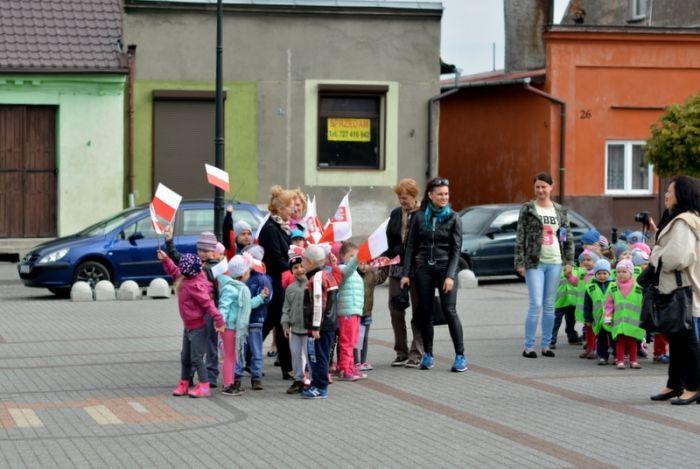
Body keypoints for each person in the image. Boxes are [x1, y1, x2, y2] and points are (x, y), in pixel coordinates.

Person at [401, 177, 467, 372]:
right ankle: (428, 354)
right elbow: (411, 246)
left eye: (446, 194)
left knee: (449, 310)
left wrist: (451, 276)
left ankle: (460, 355)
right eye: (440, 194)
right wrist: (406, 273)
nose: (444, 197)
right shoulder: (419, 217)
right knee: (425, 312)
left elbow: (456, 250)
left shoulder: (454, 218)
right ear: (430, 195)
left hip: (445, 268)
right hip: (424, 269)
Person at [648, 176, 700, 405]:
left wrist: (655, 255)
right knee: (677, 338)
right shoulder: (685, 219)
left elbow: (678, 257)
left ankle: (693, 386)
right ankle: (674, 384)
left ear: (682, 194)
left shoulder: (683, 222)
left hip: (682, 290)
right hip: (681, 288)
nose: (666, 195)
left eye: (670, 191)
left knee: (686, 339)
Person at [515, 172, 574, 359]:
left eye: (544, 187)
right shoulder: (528, 209)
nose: (541, 190)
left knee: (550, 305)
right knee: (536, 304)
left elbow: (567, 237)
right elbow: (520, 236)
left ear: (551, 187)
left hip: (555, 261)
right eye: (537, 187)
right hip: (535, 262)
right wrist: (520, 262)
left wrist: (569, 261)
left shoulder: (560, 210)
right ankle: (529, 346)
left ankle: (547, 345)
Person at [159, 252, 225, 398]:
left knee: (196, 358)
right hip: (187, 326)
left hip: (198, 327)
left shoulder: (195, 285)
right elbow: (174, 271)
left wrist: (219, 320)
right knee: (185, 357)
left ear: (187, 271)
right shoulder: (186, 278)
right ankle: (185, 382)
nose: (179, 271)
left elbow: (208, 304)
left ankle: (204, 385)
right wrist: (166, 259)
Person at [257, 185, 296, 380]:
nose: (293, 210)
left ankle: (248, 357)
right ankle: (287, 367)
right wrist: (294, 266)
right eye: (290, 206)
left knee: (271, 322)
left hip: (282, 280)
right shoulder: (270, 229)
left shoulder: (282, 226)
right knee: (280, 323)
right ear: (280, 209)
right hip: (276, 281)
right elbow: (275, 258)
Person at [386, 178, 424, 367]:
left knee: (418, 311)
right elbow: (388, 240)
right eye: (400, 197)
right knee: (396, 309)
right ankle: (400, 351)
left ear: (414, 196)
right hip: (397, 266)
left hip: (417, 269)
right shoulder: (395, 214)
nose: (403, 201)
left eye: (406, 197)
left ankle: (416, 352)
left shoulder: (423, 213)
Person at [218, 255, 269, 396]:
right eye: (247, 271)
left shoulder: (242, 289)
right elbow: (223, 306)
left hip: (236, 328)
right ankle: (228, 385)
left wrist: (261, 297)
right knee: (229, 357)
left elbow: (249, 305)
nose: (249, 274)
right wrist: (220, 321)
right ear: (242, 274)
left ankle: (231, 382)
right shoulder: (231, 288)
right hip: (228, 328)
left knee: (233, 357)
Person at [302, 244, 341, 399]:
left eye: (304, 260)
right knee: (317, 355)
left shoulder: (317, 278)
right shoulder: (325, 274)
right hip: (327, 324)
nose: (302, 263)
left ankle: (320, 387)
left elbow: (319, 303)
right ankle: (316, 383)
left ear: (311, 262)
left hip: (322, 326)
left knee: (319, 356)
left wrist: (316, 326)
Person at [234, 248, 273, 391]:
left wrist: (260, 298)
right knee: (240, 349)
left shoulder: (261, 279)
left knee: (256, 350)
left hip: (256, 320)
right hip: (242, 322)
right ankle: (236, 376)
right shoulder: (241, 278)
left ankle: (256, 377)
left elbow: (267, 297)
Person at [604, 260, 645, 370]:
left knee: (632, 342)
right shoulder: (612, 286)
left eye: (624, 271)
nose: (621, 274)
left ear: (631, 273)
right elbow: (608, 305)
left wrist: (644, 320)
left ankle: (633, 361)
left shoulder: (638, 287)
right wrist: (607, 319)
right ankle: (620, 360)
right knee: (620, 341)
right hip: (619, 321)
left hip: (634, 322)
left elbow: (643, 304)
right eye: (618, 271)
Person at [281, 247, 310, 394]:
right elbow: (286, 308)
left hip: (309, 329)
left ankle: (310, 379)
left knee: (310, 355)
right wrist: (285, 324)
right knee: (296, 355)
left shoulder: (312, 285)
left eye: (301, 266)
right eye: (295, 268)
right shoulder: (290, 288)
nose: (299, 270)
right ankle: (298, 379)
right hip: (295, 329)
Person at [336, 241, 364, 381]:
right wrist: (357, 259)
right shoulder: (341, 269)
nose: (354, 258)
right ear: (342, 256)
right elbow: (349, 270)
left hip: (355, 311)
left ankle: (350, 366)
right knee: (347, 341)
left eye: (356, 256)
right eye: (351, 255)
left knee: (352, 341)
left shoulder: (356, 273)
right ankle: (345, 369)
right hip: (346, 311)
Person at [355, 261, 389, 371]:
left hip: (367, 312)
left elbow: (382, 278)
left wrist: (386, 266)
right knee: (356, 339)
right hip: (356, 312)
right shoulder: (354, 275)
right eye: (361, 263)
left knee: (364, 338)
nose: (364, 266)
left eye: (366, 264)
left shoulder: (372, 275)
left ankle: (363, 361)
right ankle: (356, 361)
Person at [583, 259, 613, 365]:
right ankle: (603, 356)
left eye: (604, 273)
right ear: (595, 274)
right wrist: (588, 318)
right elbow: (587, 304)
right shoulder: (591, 287)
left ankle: (616, 356)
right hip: (599, 319)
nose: (602, 276)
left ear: (609, 273)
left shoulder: (614, 285)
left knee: (614, 337)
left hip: (612, 318)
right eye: (599, 273)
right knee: (601, 338)